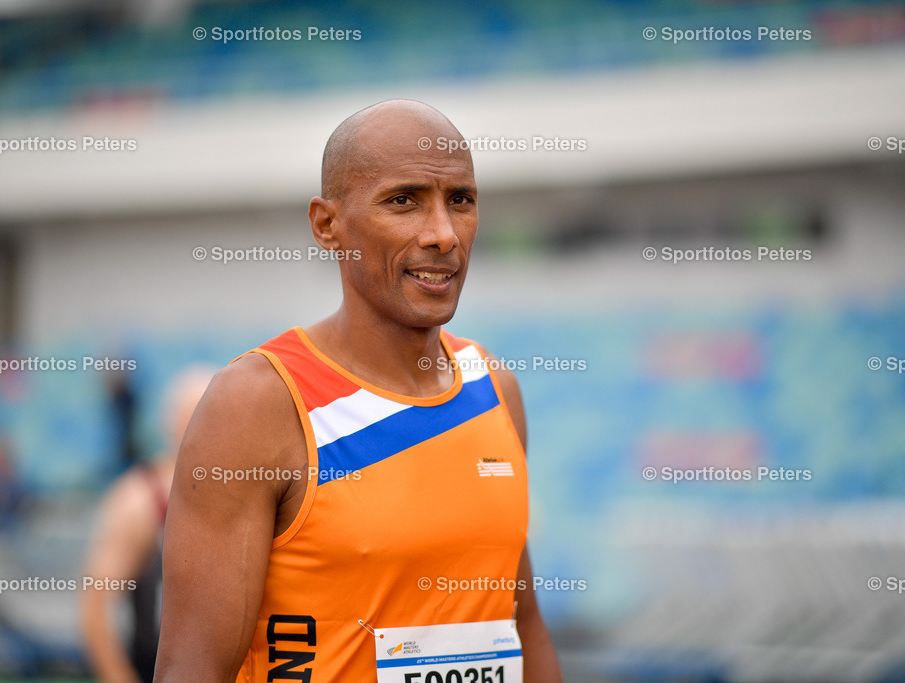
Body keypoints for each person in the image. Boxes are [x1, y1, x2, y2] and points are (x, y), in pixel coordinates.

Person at [155, 100, 563, 682]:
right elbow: (191, 672)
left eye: (461, 201)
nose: (443, 235)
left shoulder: (493, 385)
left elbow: (524, 628)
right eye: (403, 201)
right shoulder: (257, 405)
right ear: (328, 225)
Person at [81, 367, 214, 683]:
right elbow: (95, 607)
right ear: (177, 423)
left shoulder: (243, 492)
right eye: (203, 416)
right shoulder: (139, 500)